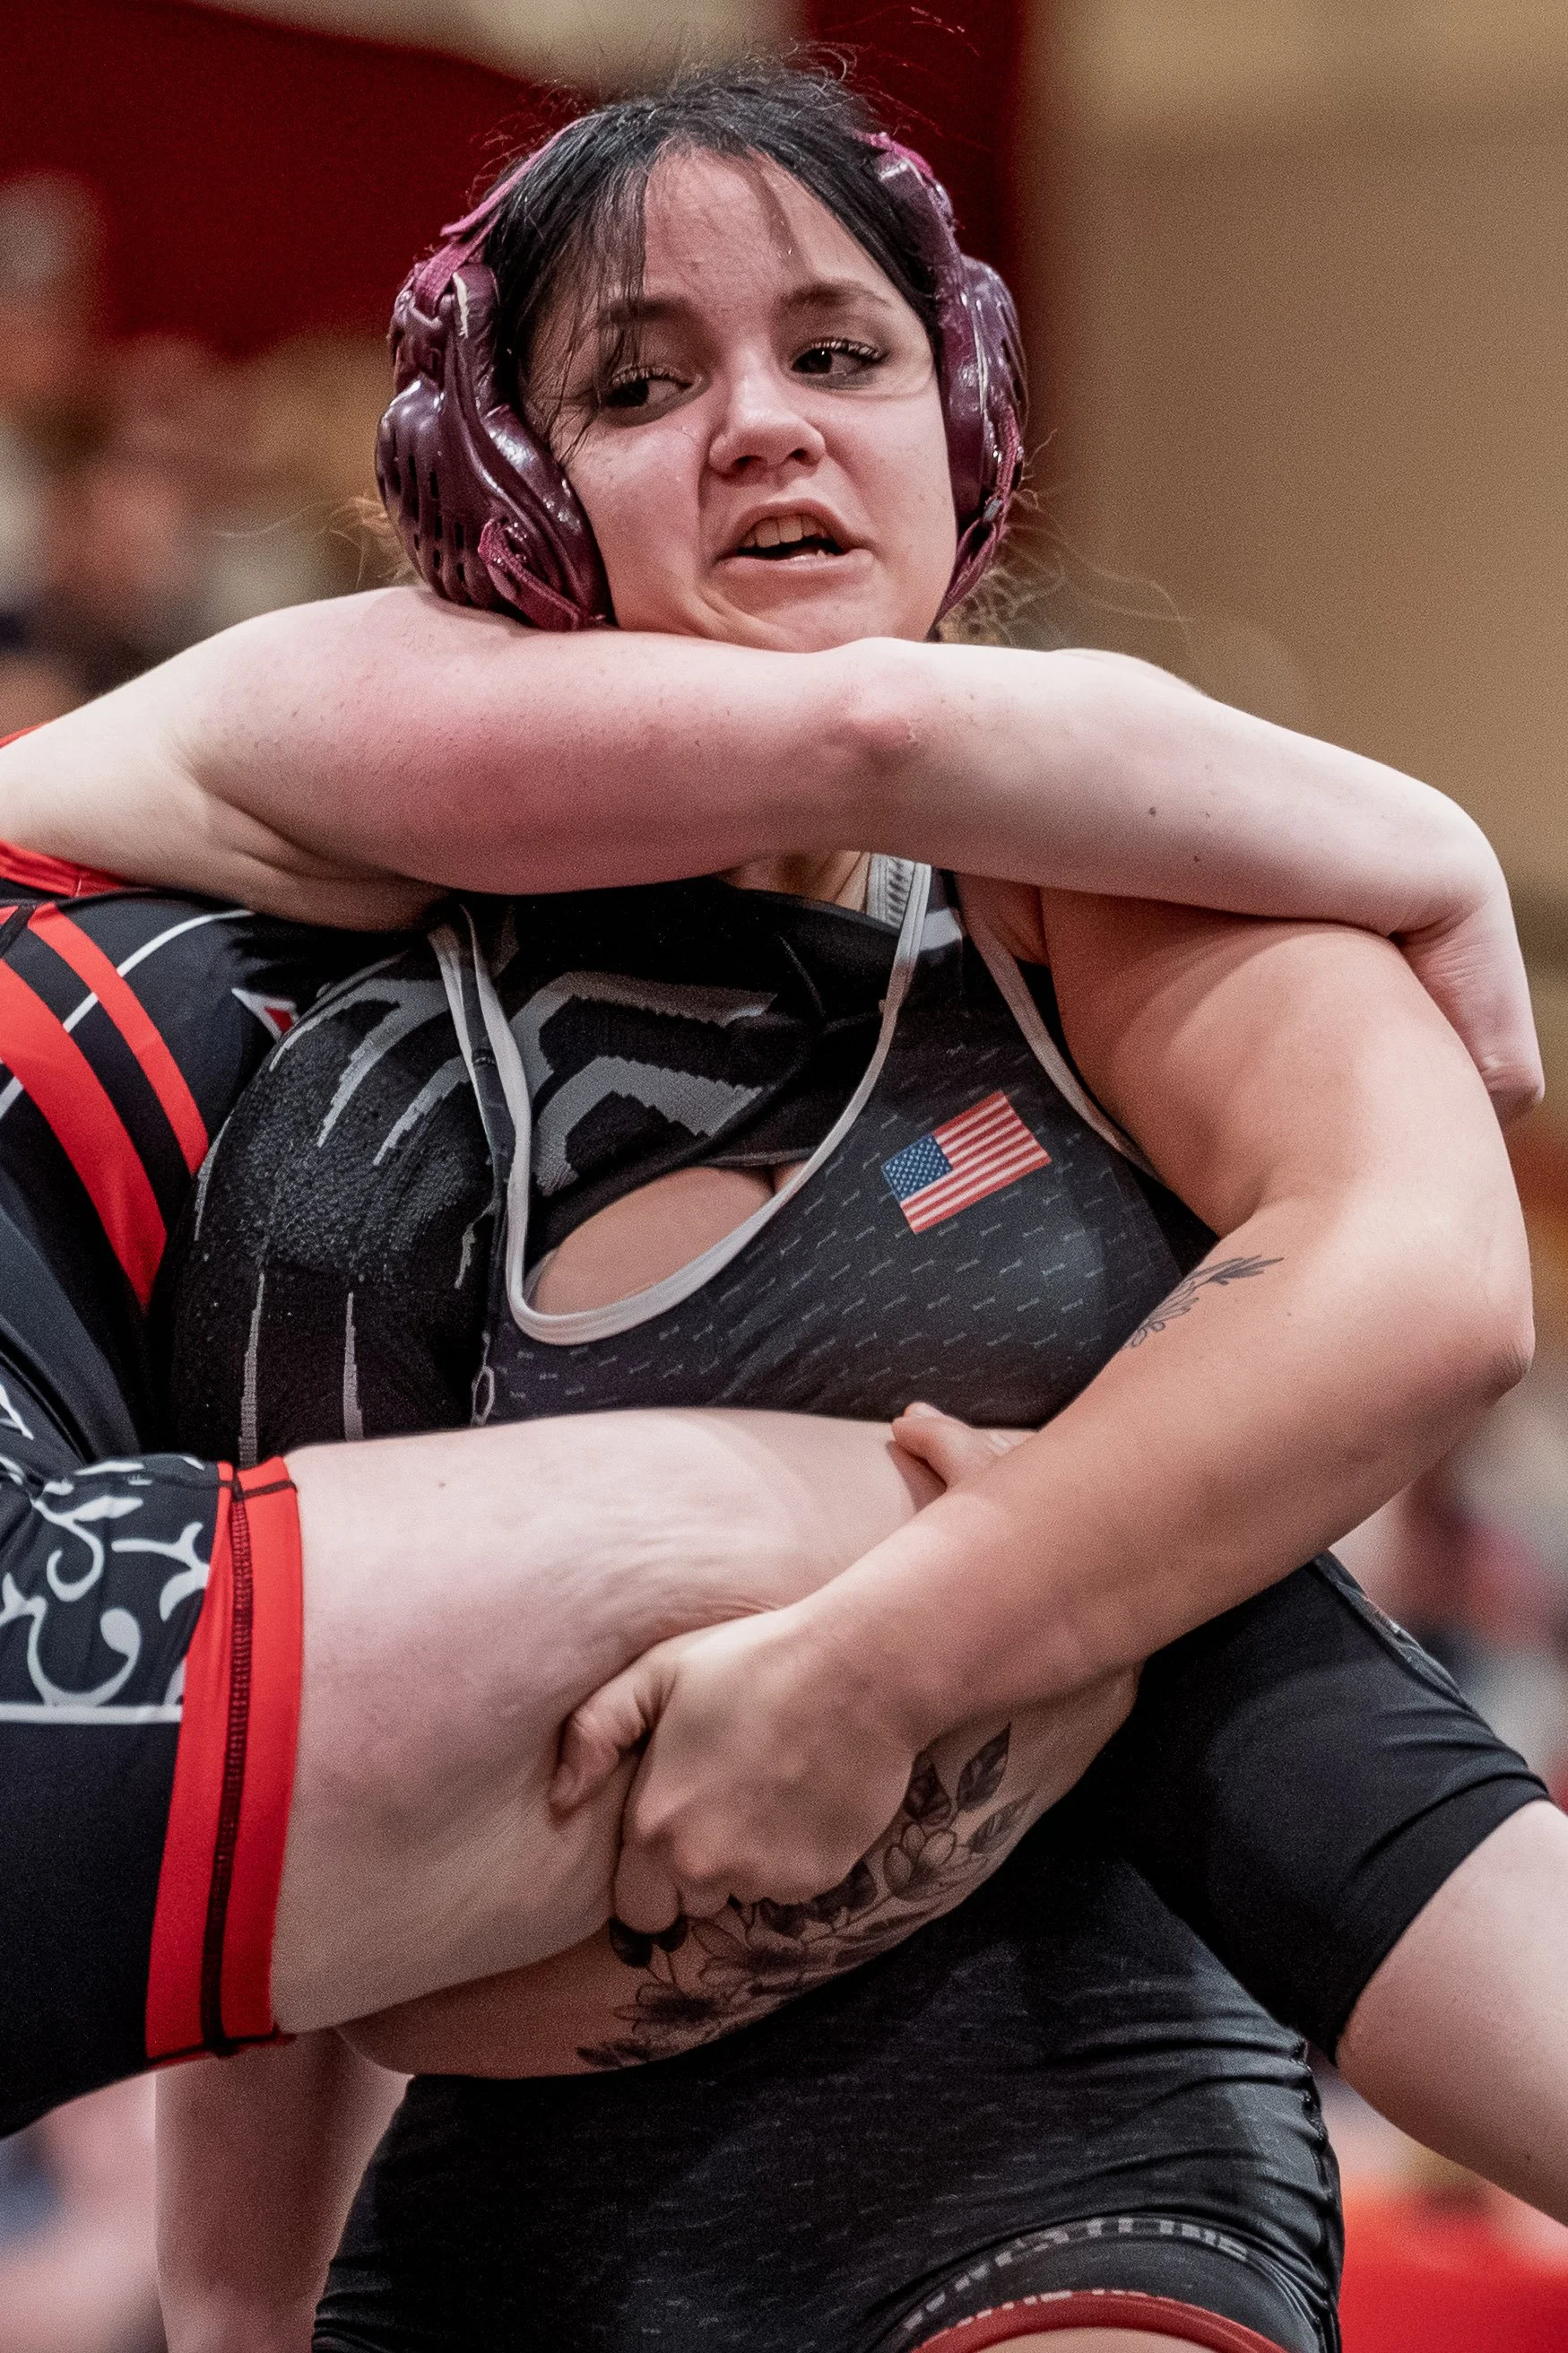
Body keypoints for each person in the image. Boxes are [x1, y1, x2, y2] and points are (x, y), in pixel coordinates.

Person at [102, 63, 1561, 2353]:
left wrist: (873, 1665)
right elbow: (266, 1782)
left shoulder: (1125, 880)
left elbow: (1425, 1290)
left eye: (838, 350)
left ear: (954, 427)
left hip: (1068, 2156)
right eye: (640, 384)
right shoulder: (369, 1080)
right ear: (518, 500)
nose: (762, 426)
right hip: (517, 2235)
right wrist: (224, 2324)